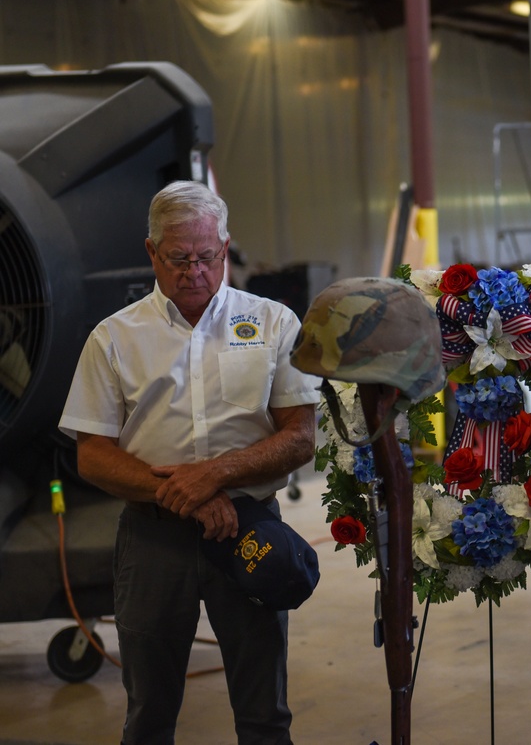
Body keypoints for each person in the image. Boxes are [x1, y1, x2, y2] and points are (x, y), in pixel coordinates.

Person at [58, 180, 321, 744]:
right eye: (177, 258)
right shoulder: (114, 338)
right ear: (151, 252)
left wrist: (217, 475)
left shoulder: (274, 323)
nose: (193, 271)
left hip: (250, 528)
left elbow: (301, 437)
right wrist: (188, 496)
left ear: (225, 248)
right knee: (149, 716)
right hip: (154, 542)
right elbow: (93, 455)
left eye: (206, 257)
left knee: (264, 714)